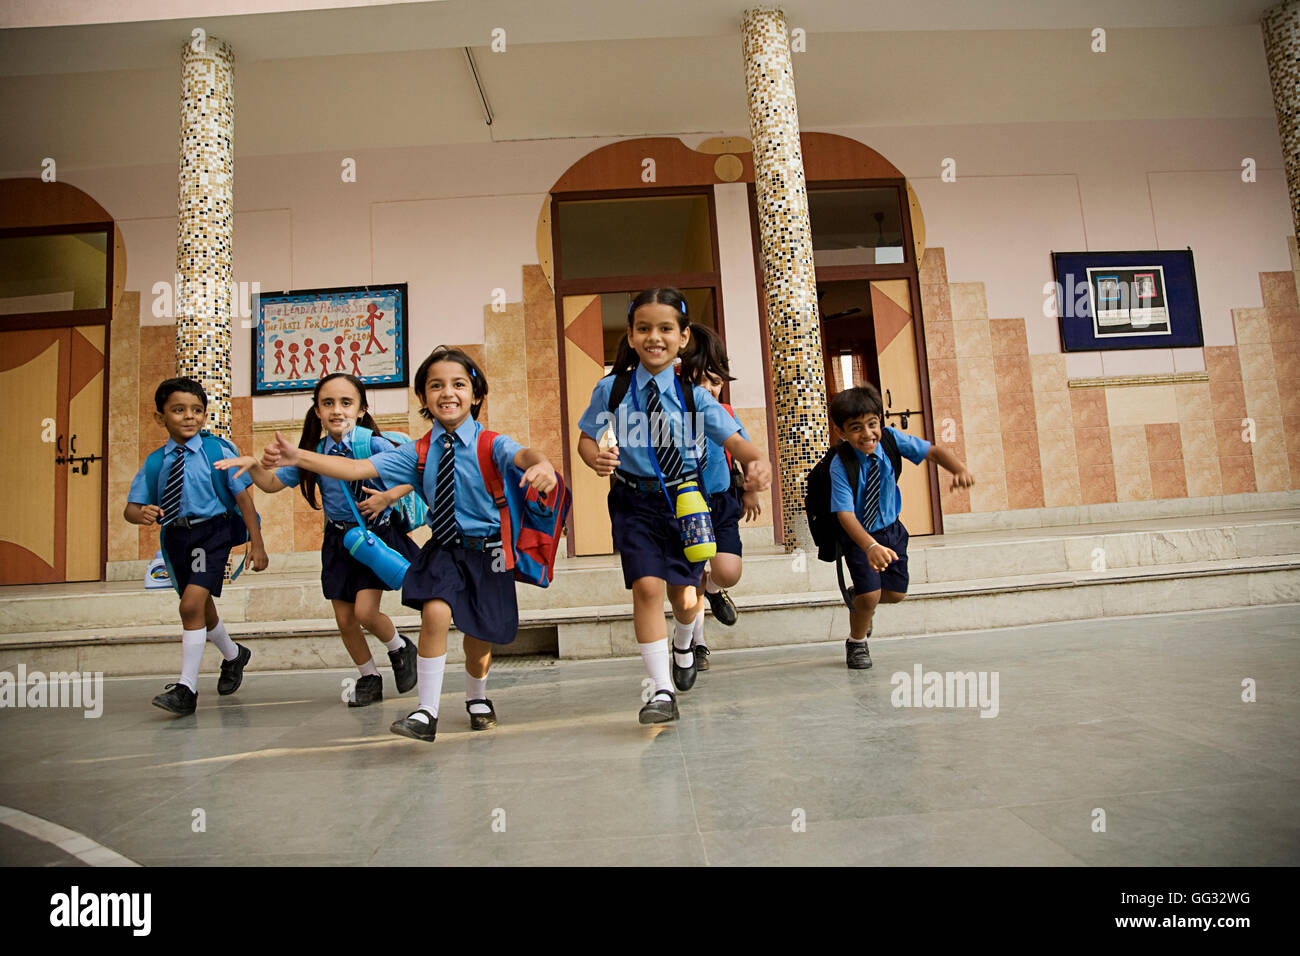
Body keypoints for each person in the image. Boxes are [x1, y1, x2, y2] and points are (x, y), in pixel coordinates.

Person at [260, 347, 558, 742]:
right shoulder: (416, 452)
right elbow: (354, 468)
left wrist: (543, 464)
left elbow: (525, 454)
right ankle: (426, 711)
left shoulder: (491, 444)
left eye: (458, 384)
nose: (447, 393)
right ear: (423, 397)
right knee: (434, 613)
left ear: (475, 394)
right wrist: (300, 456)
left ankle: (477, 696)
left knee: (479, 638)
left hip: (488, 553)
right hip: (445, 548)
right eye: (436, 385)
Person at [576, 288, 771, 723]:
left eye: (665, 329)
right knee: (646, 587)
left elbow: (737, 442)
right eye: (643, 328)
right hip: (633, 501)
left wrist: (757, 463)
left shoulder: (695, 398)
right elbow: (586, 439)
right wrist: (596, 458)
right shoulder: (612, 390)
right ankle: (660, 691)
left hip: (686, 502)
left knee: (686, 597)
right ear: (629, 336)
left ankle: (685, 640)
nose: (654, 337)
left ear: (683, 338)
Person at [215, 372, 419, 706]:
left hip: (372, 537)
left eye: (346, 402)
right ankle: (369, 677)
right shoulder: (312, 454)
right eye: (328, 403)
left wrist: (387, 497)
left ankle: (400, 648)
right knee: (344, 619)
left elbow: (415, 472)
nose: (337, 410)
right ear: (317, 412)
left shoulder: (374, 444)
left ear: (362, 409)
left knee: (366, 613)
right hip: (338, 541)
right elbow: (269, 484)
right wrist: (253, 464)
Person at [124, 377, 268, 716]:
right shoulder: (155, 463)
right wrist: (139, 513)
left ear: (204, 416)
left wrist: (257, 543)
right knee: (201, 608)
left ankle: (186, 689)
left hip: (211, 534)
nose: (189, 417)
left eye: (197, 410)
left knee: (190, 606)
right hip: (176, 537)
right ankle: (234, 655)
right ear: (160, 418)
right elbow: (130, 508)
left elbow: (244, 499)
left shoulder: (217, 451)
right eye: (178, 410)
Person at [829, 384, 974, 669]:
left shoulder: (891, 441)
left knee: (895, 594)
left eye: (872, 424)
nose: (867, 434)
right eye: (856, 428)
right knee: (870, 595)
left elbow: (932, 451)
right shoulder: (840, 463)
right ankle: (857, 642)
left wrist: (958, 469)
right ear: (842, 433)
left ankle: (860, 601)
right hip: (860, 536)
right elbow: (844, 514)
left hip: (891, 531)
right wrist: (869, 546)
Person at [676, 324, 762, 672]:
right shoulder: (675, 415)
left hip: (722, 499)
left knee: (728, 571)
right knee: (692, 572)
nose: (709, 389)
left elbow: (742, 447)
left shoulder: (725, 412)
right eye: (700, 382)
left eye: (715, 381)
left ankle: (715, 589)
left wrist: (752, 488)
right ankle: (698, 644)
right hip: (687, 504)